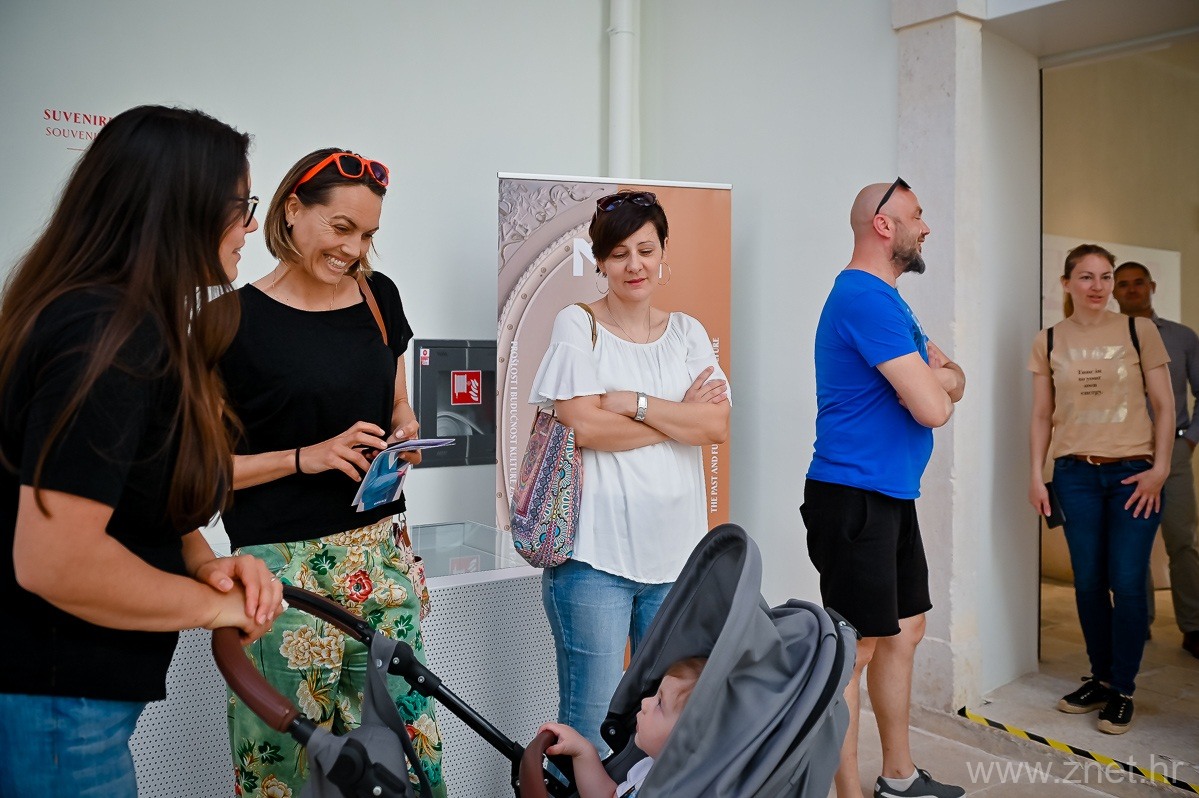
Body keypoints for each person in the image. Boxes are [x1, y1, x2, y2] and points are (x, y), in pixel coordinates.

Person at [0, 105, 284, 797]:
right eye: (242, 207)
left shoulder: (119, 322)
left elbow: (130, 495)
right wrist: (215, 608)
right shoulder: (105, 335)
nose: (250, 227)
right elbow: (57, 562)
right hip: (58, 698)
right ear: (181, 209)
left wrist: (204, 564)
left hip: (75, 701)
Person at [219, 149, 444, 796]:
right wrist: (305, 457)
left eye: (367, 234)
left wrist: (404, 429)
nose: (354, 249)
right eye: (341, 227)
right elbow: (199, 474)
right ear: (292, 209)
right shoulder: (228, 323)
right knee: (289, 770)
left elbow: (396, 402)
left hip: (382, 558)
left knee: (406, 754)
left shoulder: (378, 297)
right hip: (281, 580)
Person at [528, 190, 730, 754]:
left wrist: (636, 404)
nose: (634, 265)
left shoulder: (688, 332)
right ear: (600, 261)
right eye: (619, 254)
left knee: (661, 727)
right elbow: (584, 426)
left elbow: (715, 425)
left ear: (664, 252)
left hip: (677, 560)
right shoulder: (578, 324)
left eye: (646, 250)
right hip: (595, 559)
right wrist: (677, 418)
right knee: (589, 727)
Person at [801, 178, 966, 798]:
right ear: (883, 225)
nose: (926, 227)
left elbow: (954, 377)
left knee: (906, 628)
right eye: (917, 216)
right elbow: (935, 407)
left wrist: (936, 379)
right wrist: (934, 383)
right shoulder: (863, 299)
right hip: (853, 497)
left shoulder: (891, 302)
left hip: (891, 493)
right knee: (856, 650)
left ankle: (898, 779)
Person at [1028, 244, 1174, 734]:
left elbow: (1165, 404)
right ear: (1066, 283)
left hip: (1134, 476)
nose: (1098, 286)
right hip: (1075, 475)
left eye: (1105, 276)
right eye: (1087, 277)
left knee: (1128, 583)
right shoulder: (1049, 339)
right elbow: (1042, 414)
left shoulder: (1138, 330)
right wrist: (1036, 474)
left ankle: (1123, 689)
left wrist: (1160, 469)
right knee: (1088, 582)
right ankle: (1101, 677)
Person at [1113, 261, 1199, 659]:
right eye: (1123, 284)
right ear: (1114, 292)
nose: (1131, 289)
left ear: (1152, 286)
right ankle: (1137, 622)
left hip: (1175, 452)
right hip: (1124, 453)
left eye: (1138, 283)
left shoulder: (1182, 337)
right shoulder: (1105, 338)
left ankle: (1193, 626)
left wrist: (1190, 440)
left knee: (1182, 541)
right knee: (1132, 544)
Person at [539, 657, 706, 797]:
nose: (645, 702)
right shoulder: (646, 769)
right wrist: (583, 751)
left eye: (660, 703)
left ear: (687, 738)